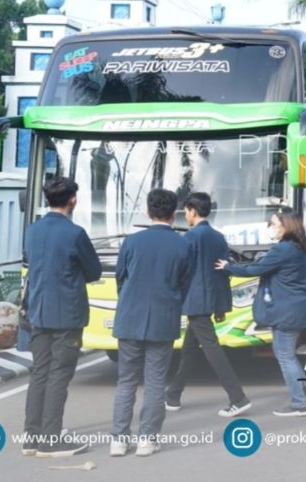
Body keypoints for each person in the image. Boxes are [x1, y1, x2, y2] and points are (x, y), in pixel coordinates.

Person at [21, 178, 101, 457]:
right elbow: (94, 272)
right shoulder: (75, 233)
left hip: (37, 312)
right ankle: (51, 439)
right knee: (59, 376)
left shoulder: (32, 230)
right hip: (67, 314)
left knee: (39, 373)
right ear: (73, 200)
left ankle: (31, 437)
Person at [110, 189, 193, 457]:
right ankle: (147, 439)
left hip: (129, 318)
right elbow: (186, 283)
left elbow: (120, 277)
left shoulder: (132, 242)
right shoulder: (183, 245)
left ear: (147, 211)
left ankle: (119, 440)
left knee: (126, 381)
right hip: (163, 318)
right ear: (174, 213)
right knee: (156, 382)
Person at [218, 210, 306, 416]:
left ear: (286, 226)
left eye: (273, 224)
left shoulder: (283, 250)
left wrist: (228, 266)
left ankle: (298, 404)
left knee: (285, 355)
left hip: (286, 310)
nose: (270, 228)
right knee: (286, 353)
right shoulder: (302, 248)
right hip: (297, 307)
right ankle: (304, 390)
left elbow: (254, 270)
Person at [165, 192, 251, 417]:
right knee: (189, 349)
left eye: (187, 211)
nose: (186, 216)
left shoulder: (191, 237)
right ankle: (173, 394)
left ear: (193, 210)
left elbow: (181, 270)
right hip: (211, 298)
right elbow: (221, 272)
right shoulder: (218, 237)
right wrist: (221, 306)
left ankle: (238, 397)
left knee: (211, 348)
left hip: (195, 299)